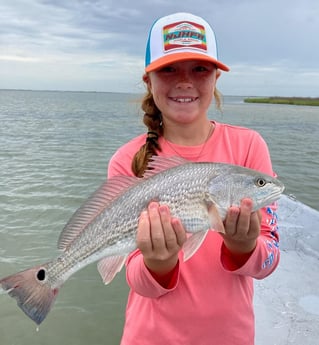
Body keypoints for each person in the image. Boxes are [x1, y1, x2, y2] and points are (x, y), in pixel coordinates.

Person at [107, 12, 280, 345]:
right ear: (149, 80)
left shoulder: (249, 146)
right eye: (168, 69)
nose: (184, 81)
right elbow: (136, 280)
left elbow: (268, 260)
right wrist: (159, 262)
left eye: (200, 69)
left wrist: (244, 247)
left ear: (216, 77)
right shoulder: (127, 160)